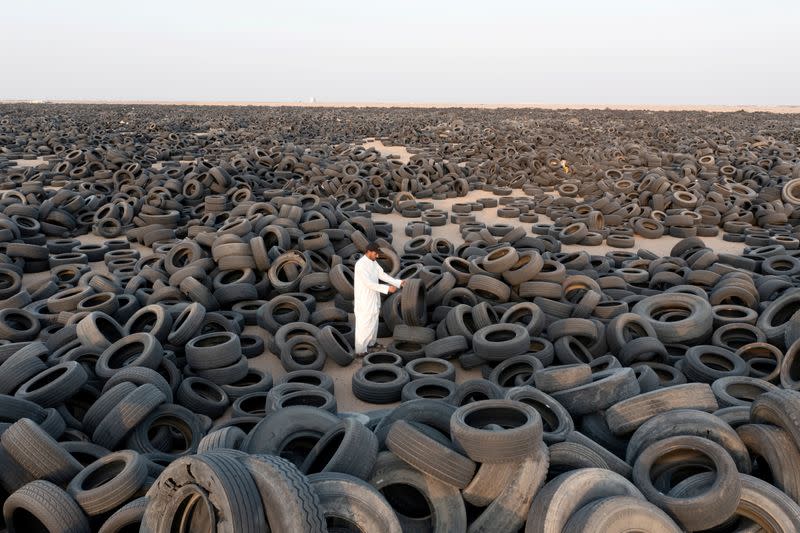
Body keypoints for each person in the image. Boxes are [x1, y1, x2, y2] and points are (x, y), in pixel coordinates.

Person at [353, 242, 405, 356]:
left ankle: (371, 343)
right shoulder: (360, 265)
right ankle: (360, 351)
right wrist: (386, 289)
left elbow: (382, 275)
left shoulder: (373, 262)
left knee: (374, 322)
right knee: (364, 325)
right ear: (369, 252)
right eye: (376, 254)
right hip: (364, 300)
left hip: (373, 297)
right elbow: (369, 283)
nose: (377, 256)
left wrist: (398, 283)